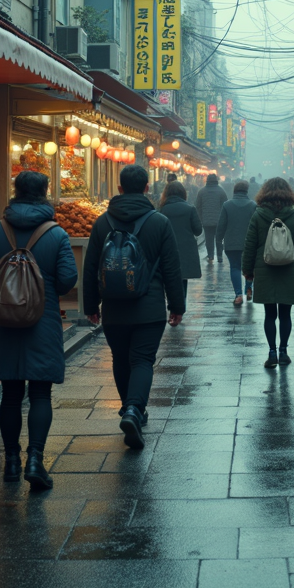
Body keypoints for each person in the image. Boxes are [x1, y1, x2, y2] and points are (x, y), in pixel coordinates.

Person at [0, 170, 78, 491]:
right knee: (41, 392)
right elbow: (69, 278)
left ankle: (11, 461)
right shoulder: (56, 234)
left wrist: (5, 285)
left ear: (15, 191)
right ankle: (35, 460)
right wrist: (42, 287)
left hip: (2, 323)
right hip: (41, 322)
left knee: (11, 393)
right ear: (45, 193)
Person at [83, 165, 184, 449]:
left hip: (114, 307)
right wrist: (177, 305)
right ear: (147, 188)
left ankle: (131, 406)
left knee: (120, 358)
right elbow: (172, 268)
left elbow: (91, 266)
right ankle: (134, 409)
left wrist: (90, 304)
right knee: (142, 360)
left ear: (119, 188)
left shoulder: (102, 222)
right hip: (149, 307)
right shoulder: (159, 221)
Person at [242, 178, 294, 368]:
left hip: (265, 268)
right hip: (289, 268)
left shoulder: (258, 215)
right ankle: (283, 352)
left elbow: (250, 244)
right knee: (286, 314)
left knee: (269, 314)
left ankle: (271, 352)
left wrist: (247, 270)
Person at [215, 180, 258, 305]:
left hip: (232, 243)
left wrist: (219, 238)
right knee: (249, 267)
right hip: (250, 243)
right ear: (246, 191)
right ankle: (248, 288)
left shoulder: (227, 205)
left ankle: (238, 295)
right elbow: (257, 225)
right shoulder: (253, 205)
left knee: (235, 267)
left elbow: (222, 224)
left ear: (234, 191)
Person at [159, 180, 203, 296]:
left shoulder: (162, 210)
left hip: (166, 250)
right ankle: (180, 308)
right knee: (183, 280)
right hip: (185, 251)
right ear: (183, 193)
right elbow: (198, 231)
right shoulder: (190, 209)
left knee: (167, 280)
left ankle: (171, 305)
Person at [195, 173, 228, 263]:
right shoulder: (221, 191)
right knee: (219, 239)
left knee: (208, 239)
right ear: (216, 181)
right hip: (219, 221)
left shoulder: (201, 191)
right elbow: (225, 206)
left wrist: (201, 218)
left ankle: (210, 255)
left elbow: (198, 206)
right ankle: (220, 256)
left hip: (206, 221)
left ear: (207, 181)